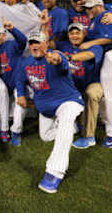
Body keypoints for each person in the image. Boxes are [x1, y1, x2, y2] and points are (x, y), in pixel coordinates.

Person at [15, 31, 84, 193]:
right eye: (32, 43)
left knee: (65, 124)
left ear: (46, 44)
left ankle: (54, 173)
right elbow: (20, 79)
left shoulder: (54, 56)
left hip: (68, 101)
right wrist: (21, 94)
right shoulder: (27, 62)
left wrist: (58, 60)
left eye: (38, 42)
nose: (34, 46)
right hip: (46, 108)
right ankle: (75, 128)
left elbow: (61, 62)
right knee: (46, 136)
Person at [44, 21, 104, 149]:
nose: (75, 36)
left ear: (84, 34)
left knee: (91, 94)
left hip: (92, 83)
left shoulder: (93, 46)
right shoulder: (63, 45)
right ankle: (67, 123)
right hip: (73, 86)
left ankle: (89, 137)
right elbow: (47, 43)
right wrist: (44, 26)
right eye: (72, 33)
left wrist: (68, 58)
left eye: (78, 33)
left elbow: (88, 55)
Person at [81, 0, 112, 149]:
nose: (87, 10)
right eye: (86, 8)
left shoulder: (104, 17)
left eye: (90, 7)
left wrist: (90, 43)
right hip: (106, 57)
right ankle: (107, 121)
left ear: (99, 6)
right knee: (105, 94)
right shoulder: (96, 18)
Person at [0, 20, 27, 142]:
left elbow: (23, 40)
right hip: (5, 82)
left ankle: (16, 132)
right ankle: (4, 129)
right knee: (3, 93)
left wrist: (12, 28)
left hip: (18, 83)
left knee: (20, 102)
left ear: (4, 35)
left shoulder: (11, 44)